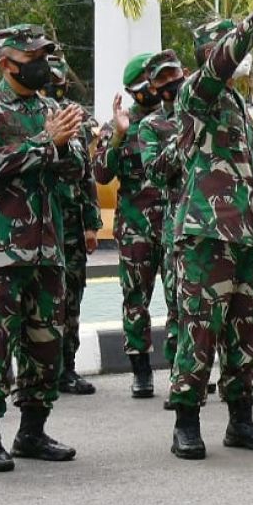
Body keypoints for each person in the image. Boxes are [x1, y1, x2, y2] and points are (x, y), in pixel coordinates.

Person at [166, 0, 253, 460]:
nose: (241, 56)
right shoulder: (197, 92)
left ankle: (241, 420)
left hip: (245, 237)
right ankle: (186, 422)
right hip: (204, 234)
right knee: (199, 331)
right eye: (229, 45)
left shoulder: (239, 106)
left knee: (247, 333)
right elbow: (221, 61)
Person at [0, 24, 86, 472]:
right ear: (7, 62)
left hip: (48, 250)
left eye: (44, 54)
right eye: (32, 56)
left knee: (45, 344)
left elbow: (77, 168)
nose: (41, 63)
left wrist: (63, 146)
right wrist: (46, 143)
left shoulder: (51, 108)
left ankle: (32, 432)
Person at [93, 51, 166, 398]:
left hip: (176, 221)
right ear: (136, 89)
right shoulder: (118, 125)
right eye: (147, 85)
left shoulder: (176, 118)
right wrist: (119, 136)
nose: (153, 90)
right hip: (136, 225)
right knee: (136, 298)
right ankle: (141, 370)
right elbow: (101, 173)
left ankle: (186, 367)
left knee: (184, 299)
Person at [133, 50, 190, 409]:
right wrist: (184, 134)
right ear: (153, 86)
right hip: (178, 224)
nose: (170, 82)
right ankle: (178, 376)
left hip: (216, 225)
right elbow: (155, 172)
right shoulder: (151, 126)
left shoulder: (207, 112)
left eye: (174, 74)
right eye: (162, 79)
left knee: (194, 309)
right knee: (176, 304)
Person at [46, 54, 103, 396]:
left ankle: (67, 368)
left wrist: (91, 224)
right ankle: (33, 375)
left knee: (71, 301)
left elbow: (87, 177)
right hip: (34, 225)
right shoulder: (29, 116)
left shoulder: (77, 118)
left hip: (70, 227)